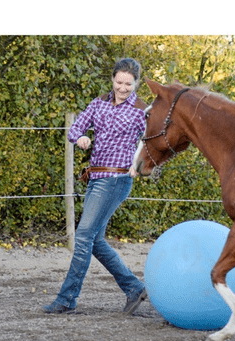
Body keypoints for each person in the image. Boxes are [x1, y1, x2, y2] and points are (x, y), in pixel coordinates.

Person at [44, 58, 147, 315]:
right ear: (112, 79)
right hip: (95, 178)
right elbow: (75, 127)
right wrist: (80, 137)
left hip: (117, 179)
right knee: (95, 241)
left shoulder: (142, 111)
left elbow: (153, 142)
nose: (122, 88)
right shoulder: (98, 103)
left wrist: (139, 164)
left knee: (83, 236)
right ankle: (134, 288)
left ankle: (67, 299)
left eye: (128, 84)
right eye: (118, 82)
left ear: (136, 83)